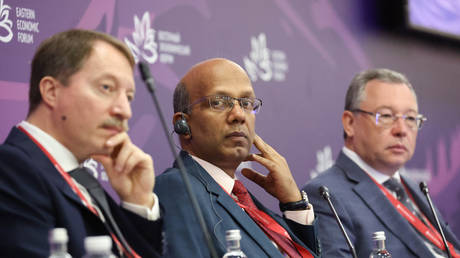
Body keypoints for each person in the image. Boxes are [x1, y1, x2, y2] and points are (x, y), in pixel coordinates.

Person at [0, 29, 162, 258]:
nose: (125, 111)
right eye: (106, 88)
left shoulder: (83, 179)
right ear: (51, 91)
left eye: (128, 97)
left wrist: (138, 202)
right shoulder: (10, 170)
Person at [155, 58, 321, 258]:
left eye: (246, 103)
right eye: (218, 102)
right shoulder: (178, 189)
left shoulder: (243, 202)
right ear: (183, 124)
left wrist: (294, 204)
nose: (239, 115)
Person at [302, 68, 460, 257]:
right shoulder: (325, 196)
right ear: (350, 123)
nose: (401, 130)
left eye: (410, 118)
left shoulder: (412, 189)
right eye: (386, 116)